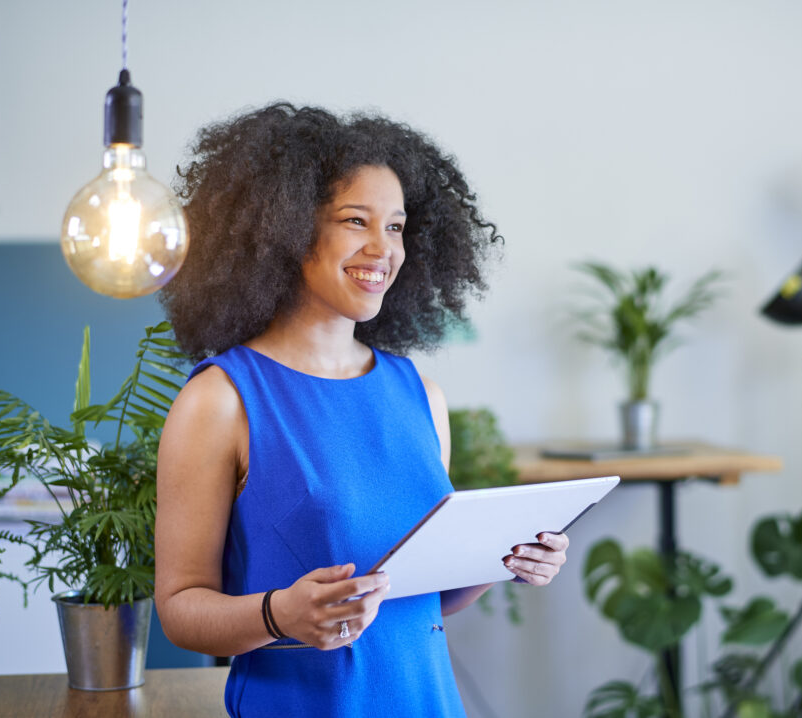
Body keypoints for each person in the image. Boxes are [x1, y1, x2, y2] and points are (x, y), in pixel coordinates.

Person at [154, 103, 570, 717]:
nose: (383, 249)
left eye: (397, 227)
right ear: (286, 228)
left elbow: (427, 596)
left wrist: (503, 559)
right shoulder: (220, 399)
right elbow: (181, 609)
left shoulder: (420, 395)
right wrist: (278, 614)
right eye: (357, 221)